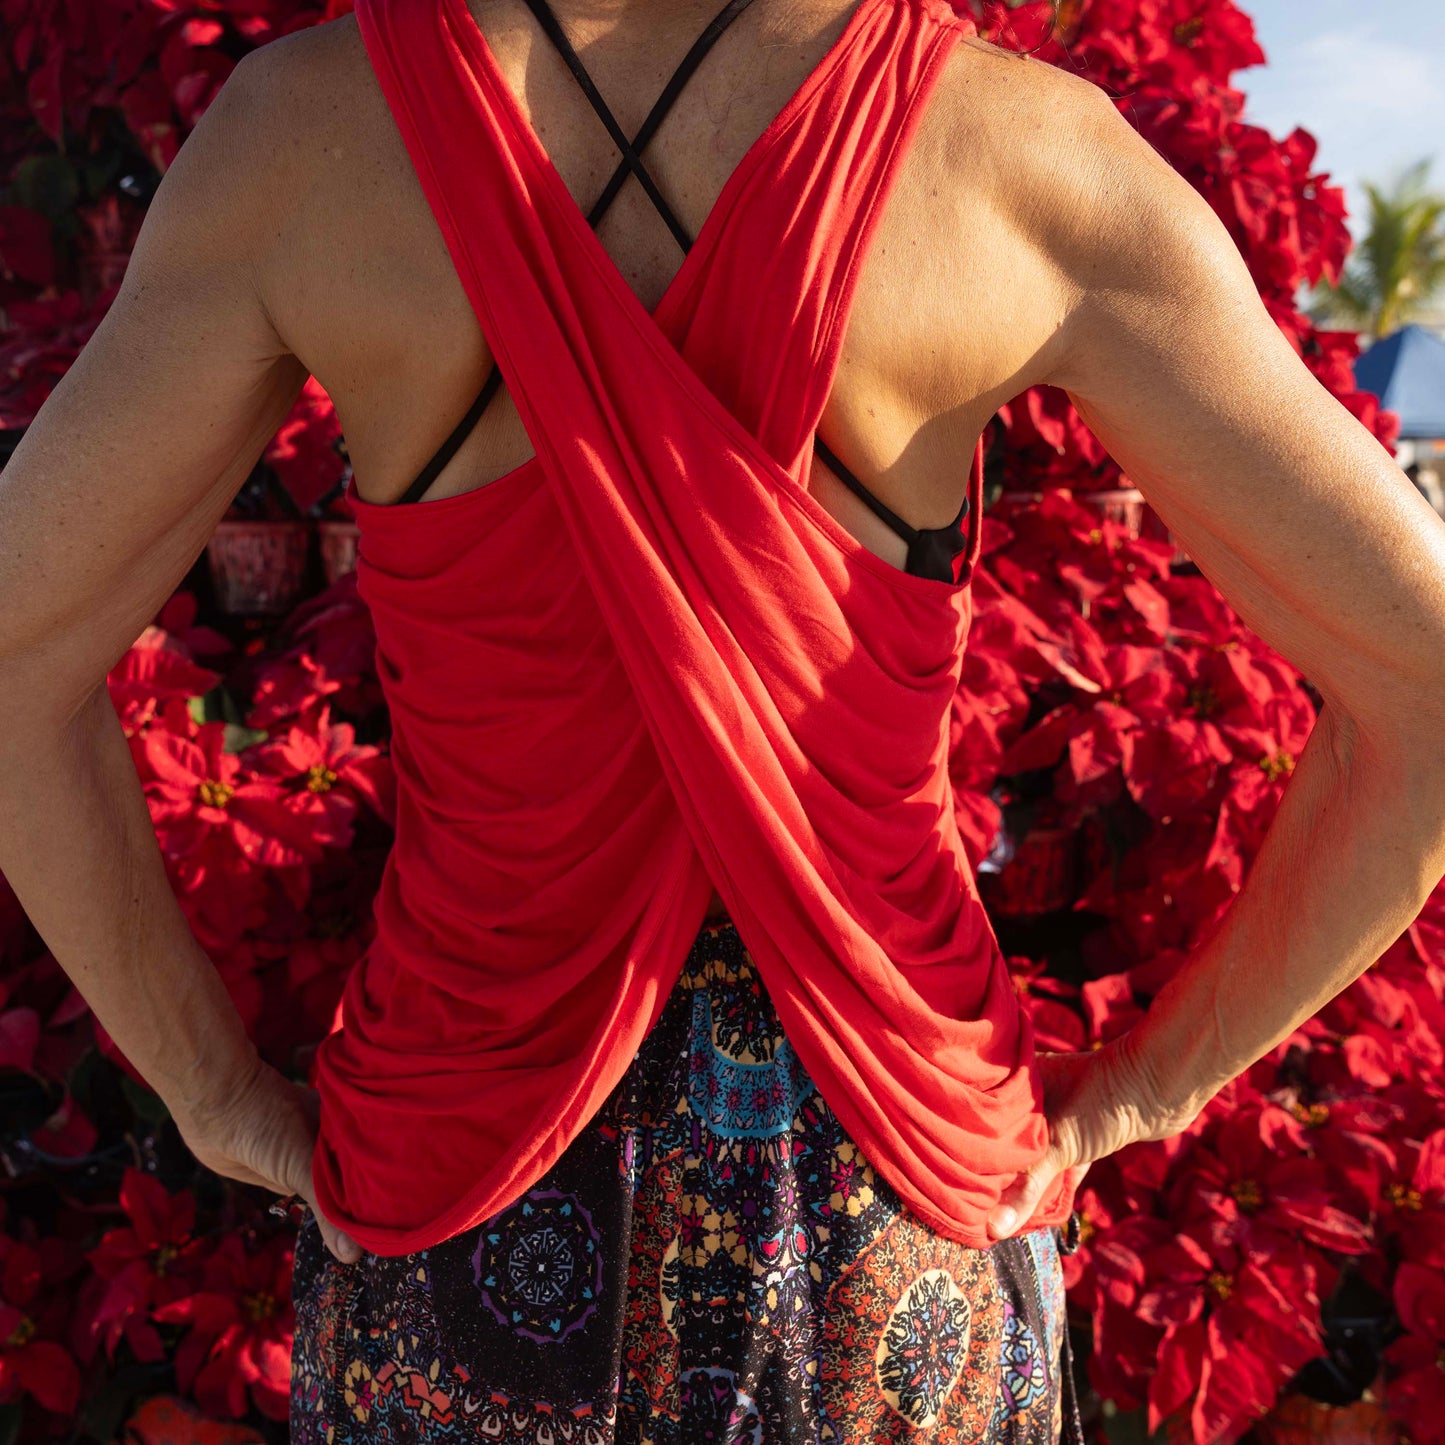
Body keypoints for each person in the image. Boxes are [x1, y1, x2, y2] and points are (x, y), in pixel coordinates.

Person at [2, 0, 1445, 1439]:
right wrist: (1138, 1091)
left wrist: (214, 1094)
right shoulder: (1024, 160)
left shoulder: (305, 137)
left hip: (465, 1177)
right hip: (889, 1205)